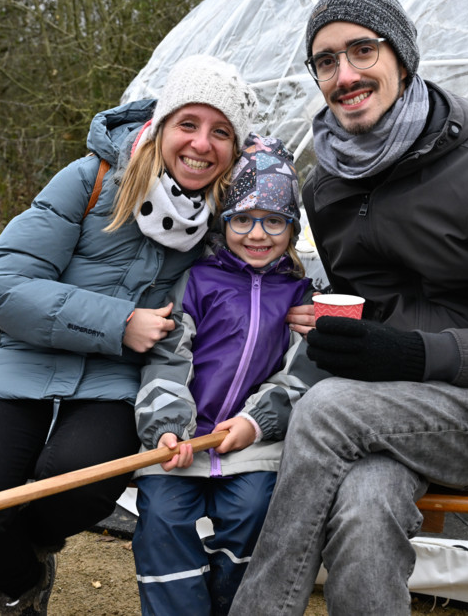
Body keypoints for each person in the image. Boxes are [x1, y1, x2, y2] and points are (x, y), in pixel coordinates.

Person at [230, 0, 468, 615]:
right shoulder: (327, 183)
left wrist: (409, 354)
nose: (345, 74)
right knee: (365, 507)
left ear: (402, 56)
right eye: (327, 60)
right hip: (384, 409)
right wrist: (336, 327)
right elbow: (364, 306)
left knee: (328, 407)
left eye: (362, 50)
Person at [0, 54, 258, 616]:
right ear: (160, 126)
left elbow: (262, 279)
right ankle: (20, 574)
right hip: (20, 367)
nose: (201, 144)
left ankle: (2, 548)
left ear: (234, 148)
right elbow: (0, 285)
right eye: (189, 124)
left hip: (112, 386)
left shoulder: (224, 224)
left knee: (80, 489)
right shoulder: (91, 180)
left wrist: (301, 308)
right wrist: (118, 323)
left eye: (220, 132)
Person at [131, 133, 324, 616]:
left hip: (251, 445)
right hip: (177, 442)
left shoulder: (301, 296)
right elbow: (168, 356)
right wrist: (167, 425)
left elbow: (297, 376)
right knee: (162, 522)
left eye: (274, 221)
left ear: (292, 227)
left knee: (253, 516)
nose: (257, 235)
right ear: (224, 221)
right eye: (242, 219)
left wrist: (255, 423)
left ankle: (228, 605)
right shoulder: (197, 280)